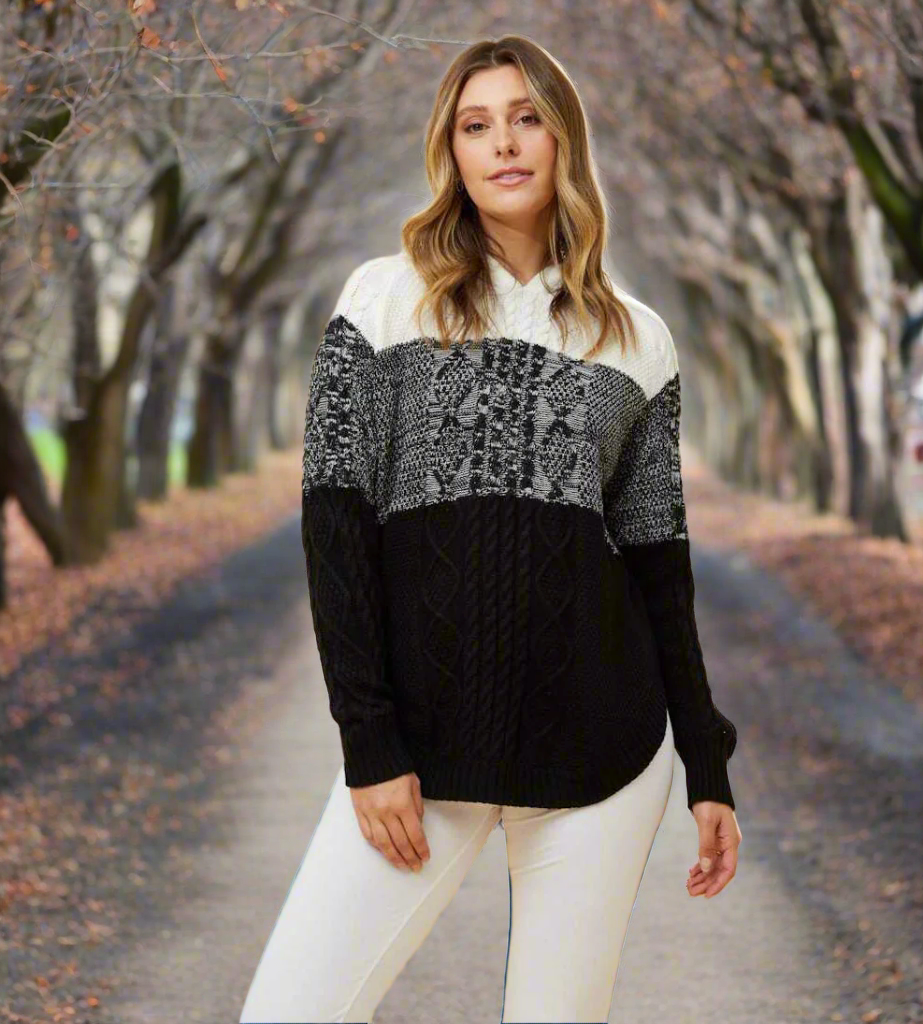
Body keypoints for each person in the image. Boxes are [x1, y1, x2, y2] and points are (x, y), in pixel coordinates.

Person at [239, 32, 741, 1024]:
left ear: (562, 140)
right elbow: (334, 533)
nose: (503, 143)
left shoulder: (638, 338)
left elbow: (657, 562)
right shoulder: (381, 301)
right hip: (422, 752)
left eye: (526, 119)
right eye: (476, 125)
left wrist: (707, 767)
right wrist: (369, 743)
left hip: (602, 758)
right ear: (451, 150)